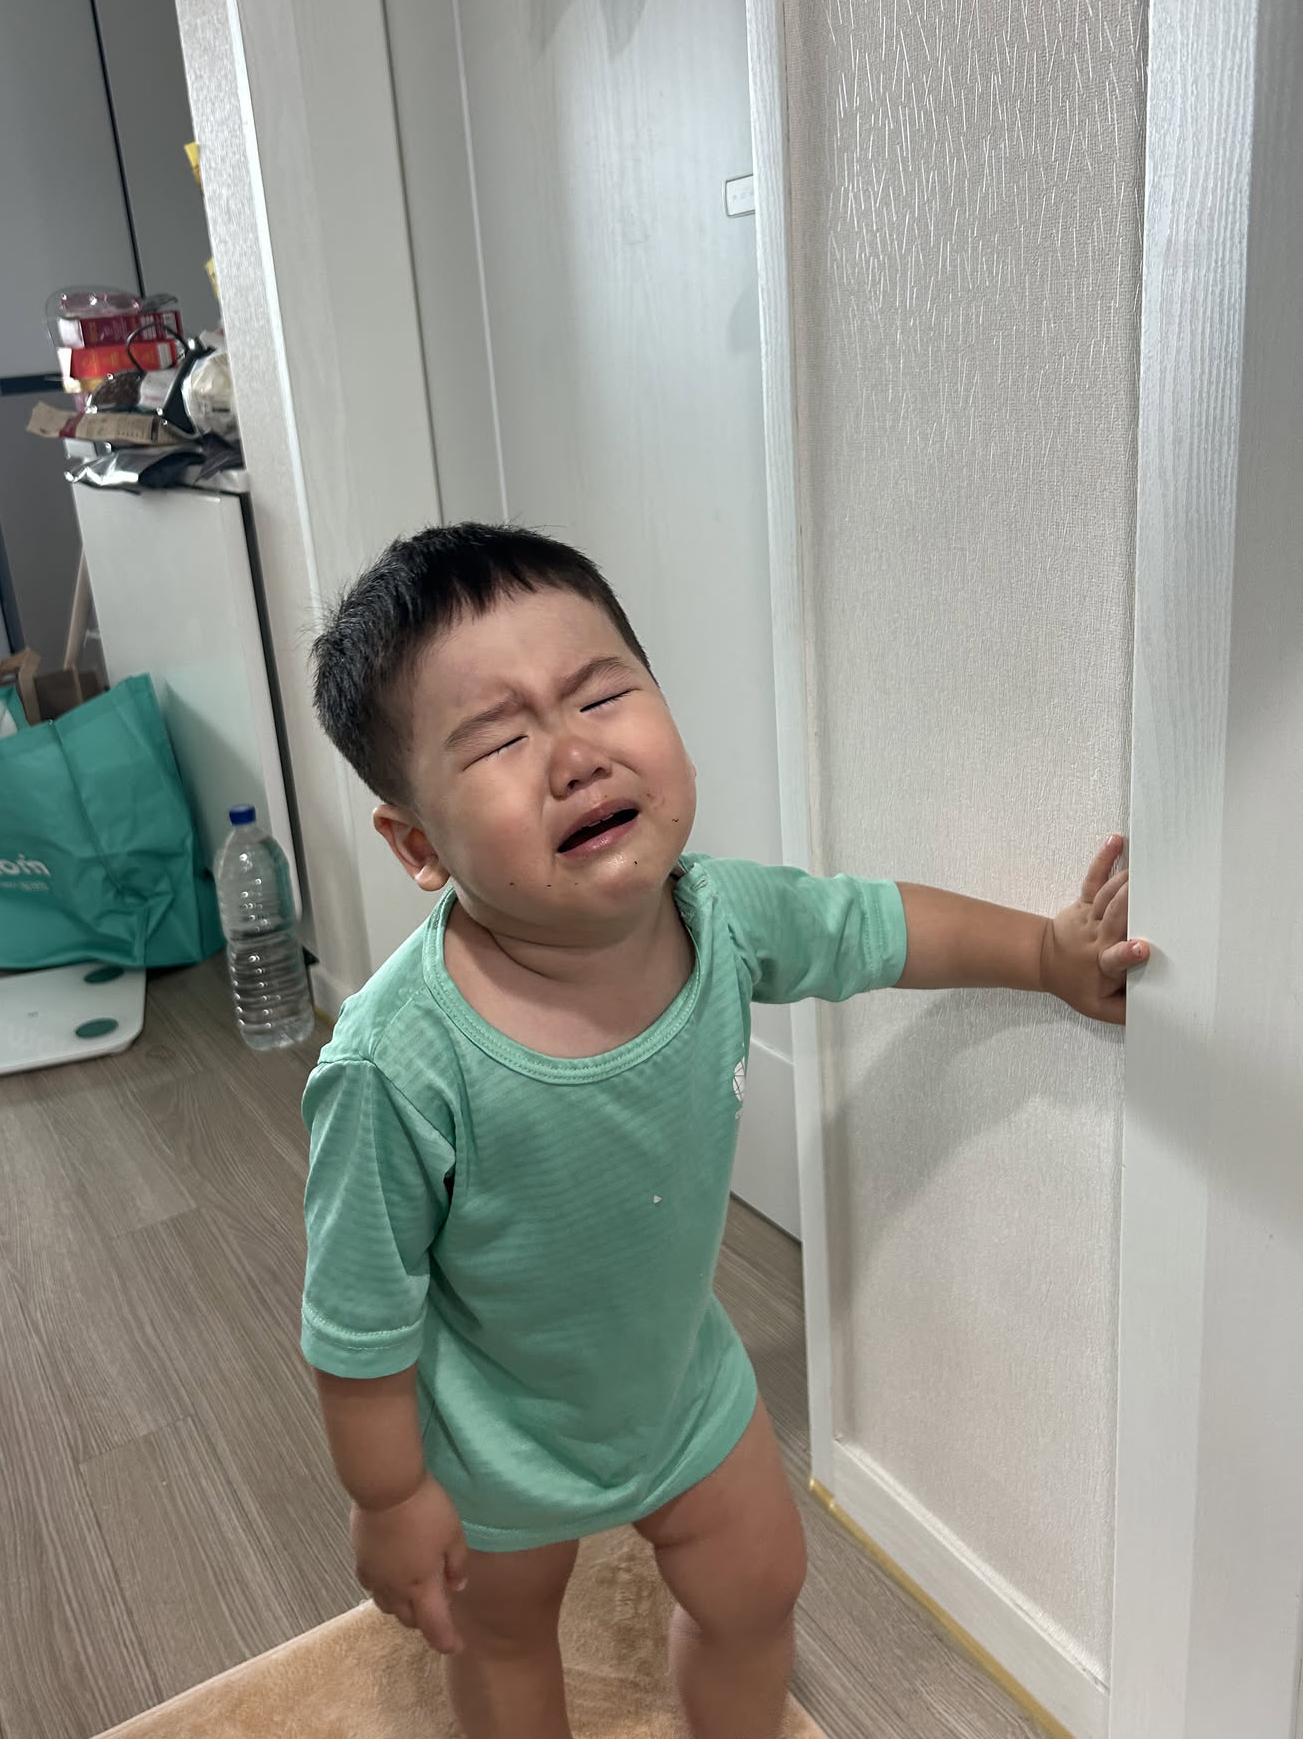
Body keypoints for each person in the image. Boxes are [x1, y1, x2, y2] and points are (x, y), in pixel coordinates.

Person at [301, 523, 1147, 1739]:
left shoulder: (722, 917)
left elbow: (875, 929)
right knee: (505, 1642)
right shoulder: (394, 1063)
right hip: (493, 1434)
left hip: (682, 1383)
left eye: (602, 695)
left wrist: (1048, 955)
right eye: (497, 740)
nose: (575, 754)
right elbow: (358, 1320)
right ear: (419, 845)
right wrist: (389, 1499)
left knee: (759, 1588)